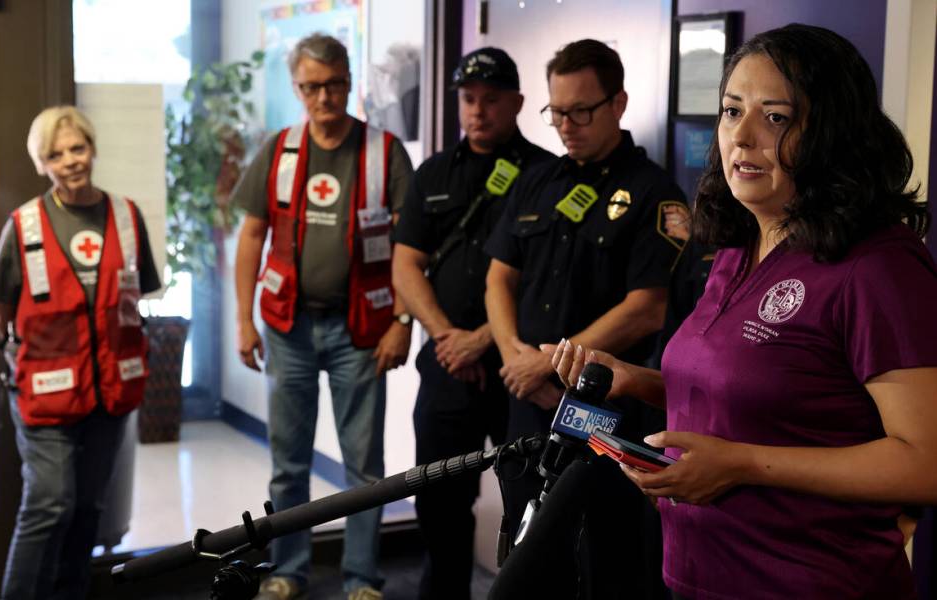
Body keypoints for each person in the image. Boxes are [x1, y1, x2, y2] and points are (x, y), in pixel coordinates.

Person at [551, 23, 937, 600]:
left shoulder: (879, 266)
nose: (743, 137)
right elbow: (769, 397)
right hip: (700, 575)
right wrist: (638, 382)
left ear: (832, 131)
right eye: (732, 111)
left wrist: (743, 465)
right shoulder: (737, 246)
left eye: (776, 117)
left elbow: (923, 463)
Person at [484, 39, 685, 597]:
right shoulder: (539, 180)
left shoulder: (654, 195)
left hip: (603, 412)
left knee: (602, 556)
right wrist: (515, 357)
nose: (566, 125)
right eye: (556, 112)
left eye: (581, 111)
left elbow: (648, 307)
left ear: (618, 104)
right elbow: (499, 275)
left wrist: (553, 361)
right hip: (529, 398)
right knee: (526, 548)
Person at [232, 33, 413, 600]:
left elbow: (413, 248)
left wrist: (402, 320)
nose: (324, 97)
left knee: (363, 466)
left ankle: (362, 578)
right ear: (297, 88)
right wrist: (243, 319)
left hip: (362, 329)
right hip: (287, 326)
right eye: (312, 87)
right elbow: (251, 237)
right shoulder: (278, 150)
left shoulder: (384, 152)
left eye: (334, 84)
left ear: (349, 81)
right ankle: (288, 570)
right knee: (288, 464)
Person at [391, 47, 554, 600]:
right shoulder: (433, 173)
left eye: (491, 100)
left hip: (519, 368)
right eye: (468, 99)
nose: (477, 111)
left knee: (531, 499)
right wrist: (444, 338)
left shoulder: (545, 175)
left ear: (517, 103)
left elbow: (540, 279)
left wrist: (483, 339)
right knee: (438, 502)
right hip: (446, 368)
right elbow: (406, 266)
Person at [0, 105, 161, 600]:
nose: (69, 161)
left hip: (109, 388)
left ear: (93, 149)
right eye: (55, 154)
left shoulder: (125, 216)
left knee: (87, 505)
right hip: (45, 391)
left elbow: (140, 290)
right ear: (42, 164)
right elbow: (1, 307)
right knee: (49, 502)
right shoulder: (23, 225)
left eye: (77, 148)